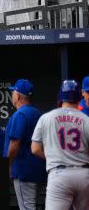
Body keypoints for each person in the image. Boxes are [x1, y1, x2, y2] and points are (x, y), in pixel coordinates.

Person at [31, 80, 89, 210]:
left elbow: (35, 149)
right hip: (84, 174)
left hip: (59, 174)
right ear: (79, 97)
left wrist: (54, 156)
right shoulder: (86, 119)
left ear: (60, 97)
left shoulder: (46, 118)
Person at [4, 79, 46, 210]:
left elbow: (15, 143)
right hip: (38, 168)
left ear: (17, 96)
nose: (12, 96)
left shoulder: (20, 114)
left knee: (27, 207)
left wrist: (8, 165)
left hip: (24, 170)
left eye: (13, 93)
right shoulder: (37, 113)